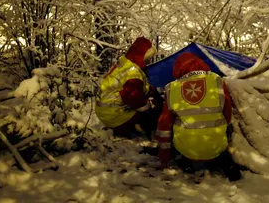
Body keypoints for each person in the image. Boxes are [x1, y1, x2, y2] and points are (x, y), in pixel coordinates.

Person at [155, 52, 241, 181]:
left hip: (186, 148)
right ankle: (225, 163)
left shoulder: (171, 88)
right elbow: (227, 112)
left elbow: (164, 124)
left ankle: (185, 161)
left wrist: (164, 156)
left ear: (178, 68)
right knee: (219, 145)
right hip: (217, 144)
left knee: (176, 128)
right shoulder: (216, 80)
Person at [96, 37, 163, 139]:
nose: (149, 60)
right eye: (148, 57)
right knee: (151, 116)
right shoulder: (132, 73)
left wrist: (151, 91)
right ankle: (142, 132)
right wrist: (149, 107)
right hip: (114, 115)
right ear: (142, 55)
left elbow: (135, 85)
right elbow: (135, 99)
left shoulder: (126, 62)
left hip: (105, 110)